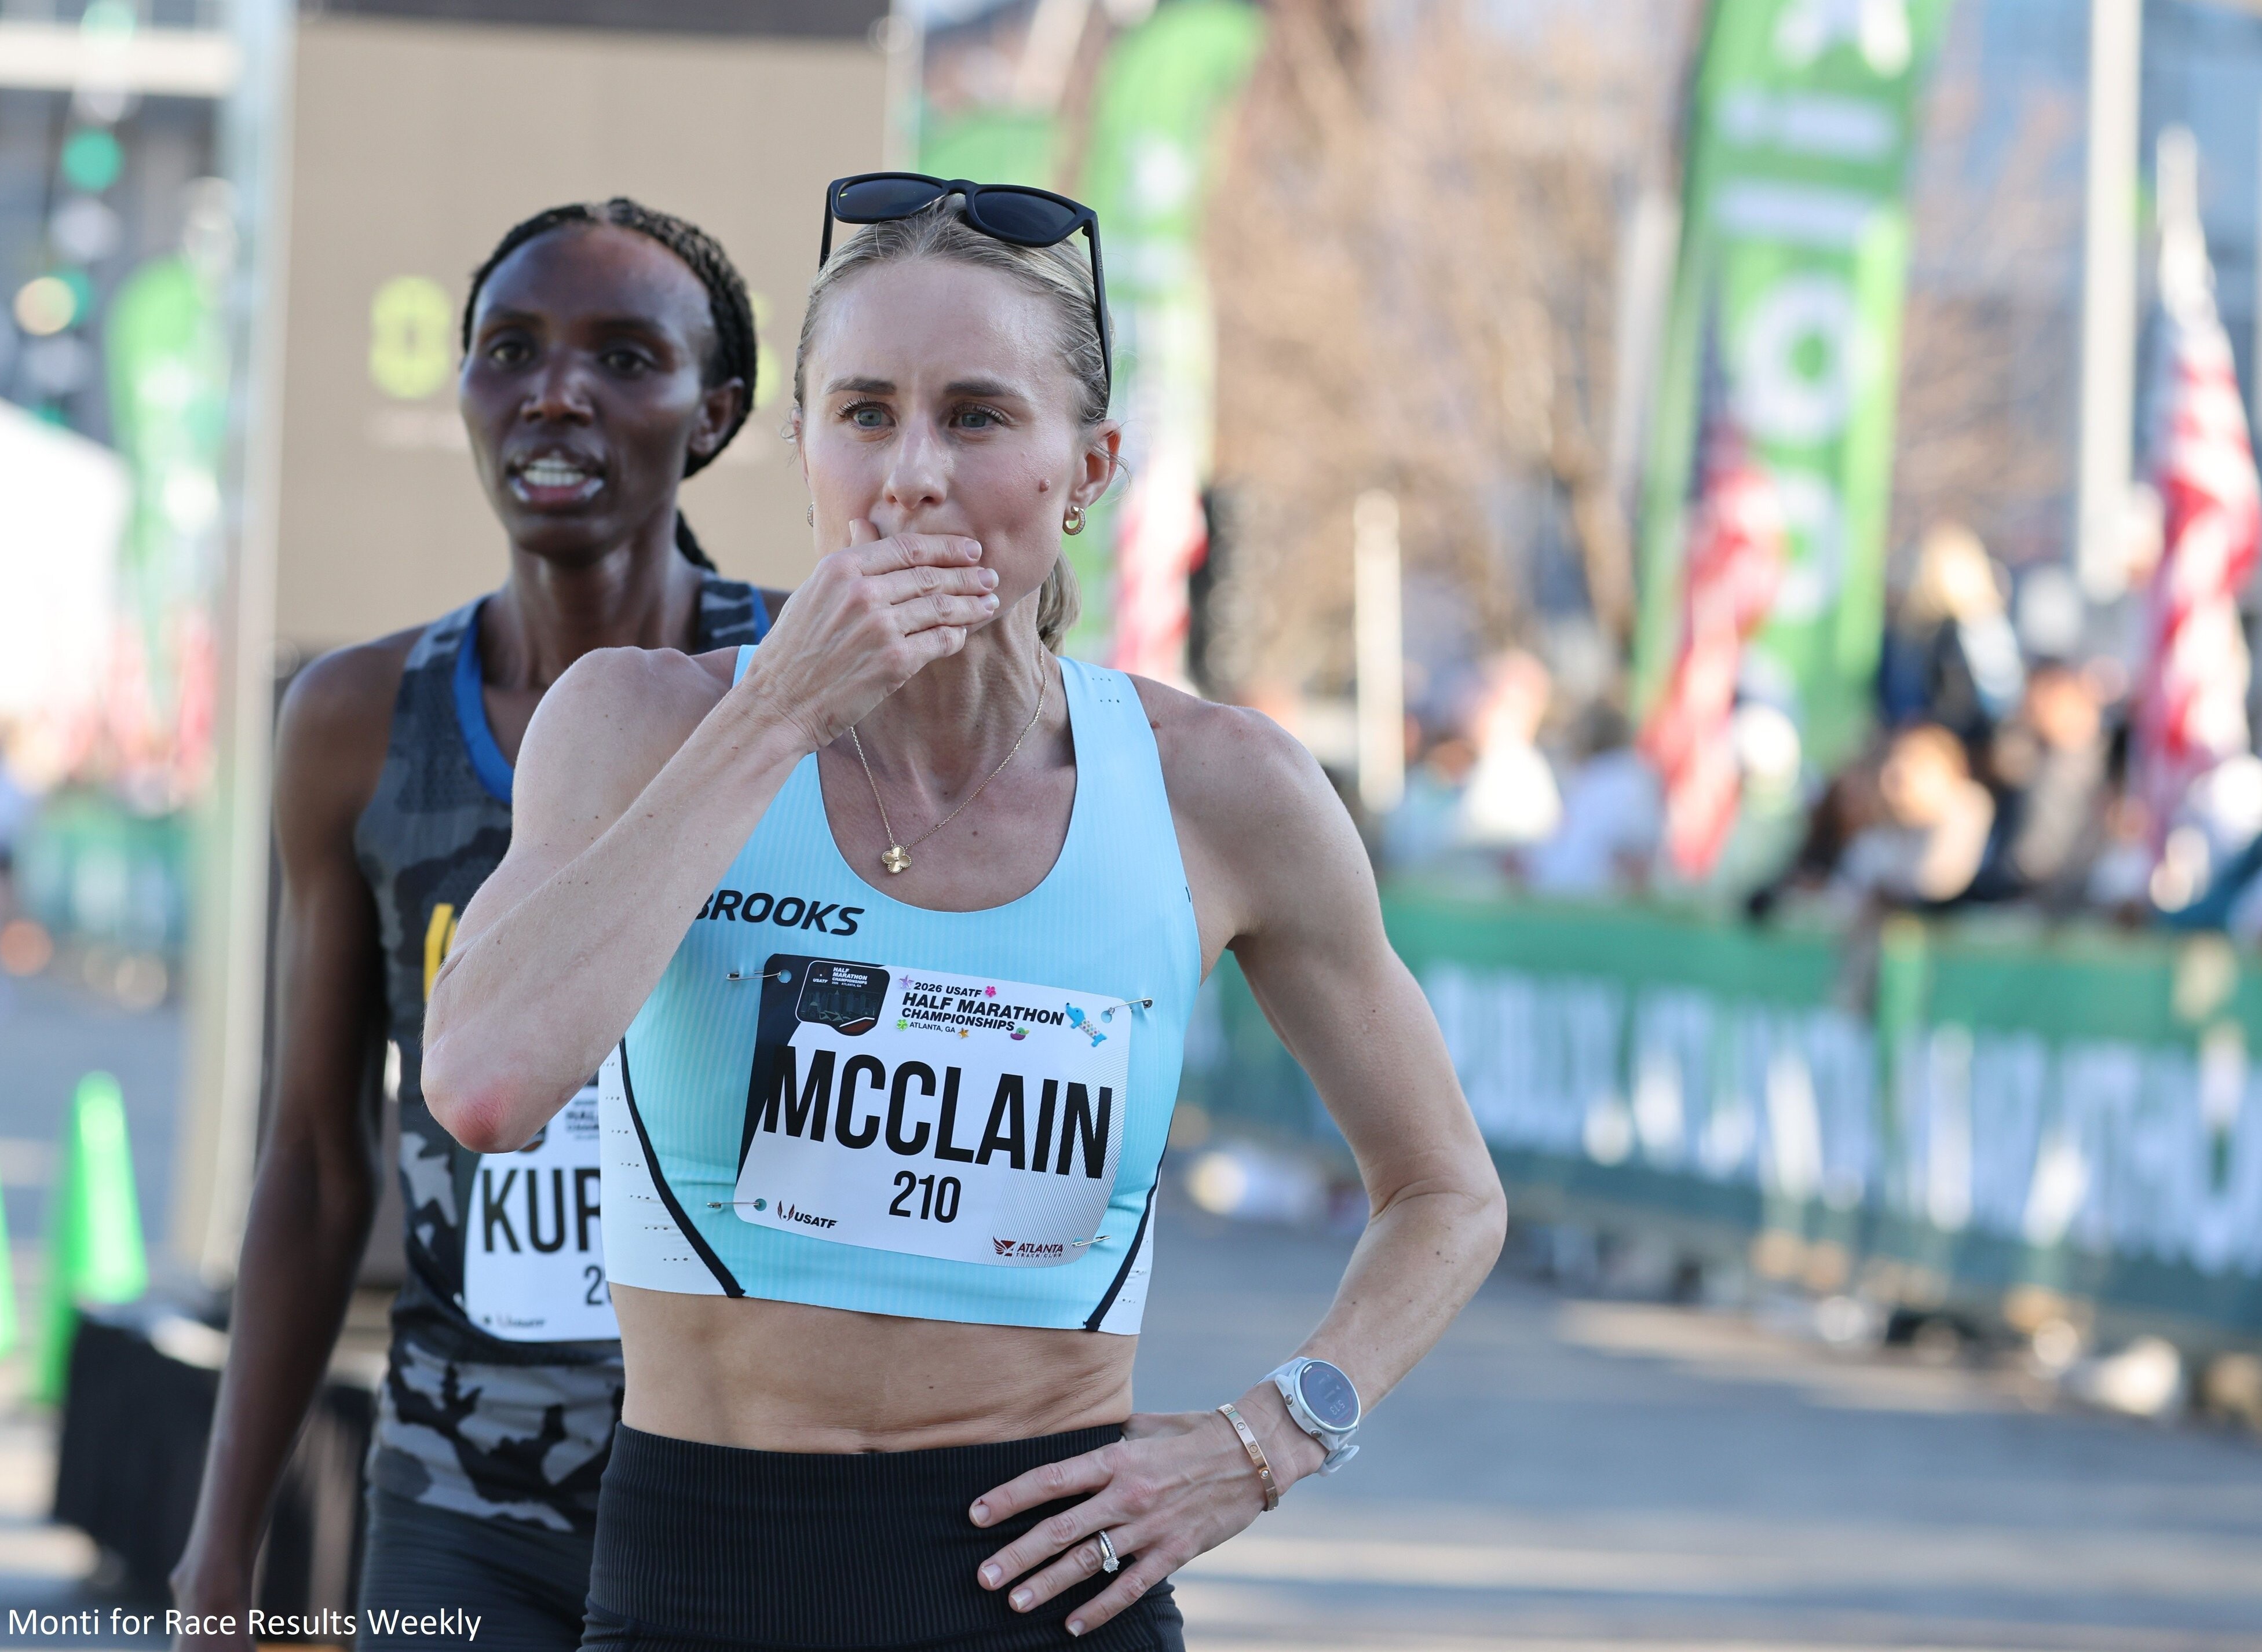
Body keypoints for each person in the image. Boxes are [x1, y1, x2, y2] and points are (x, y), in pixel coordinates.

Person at [422, 180, 1507, 1651]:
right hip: (705, 1575)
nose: (911, 475)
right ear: (802, 446)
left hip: (1057, 1585)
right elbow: (485, 1086)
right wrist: (777, 716)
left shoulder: (1216, 787)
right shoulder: (635, 725)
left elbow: (1445, 1190)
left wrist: (1267, 1440)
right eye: (863, 413)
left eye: (977, 417)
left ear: (1087, 469)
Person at [171, 199, 784, 1651]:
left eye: (623, 357)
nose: (555, 392)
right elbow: (318, 1155)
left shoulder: (801, 696)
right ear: (461, 391)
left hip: (753, 1481)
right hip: (463, 1485)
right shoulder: (357, 720)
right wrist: (221, 1547)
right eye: (510, 350)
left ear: (714, 414)